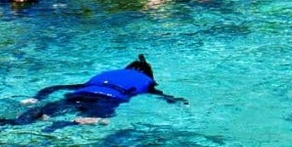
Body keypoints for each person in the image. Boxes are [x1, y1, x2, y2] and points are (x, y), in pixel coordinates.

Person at [13, 54, 184, 122]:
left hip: (82, 93)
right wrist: (179, 102)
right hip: (109, 100)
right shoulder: (147, 81)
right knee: (94, 120)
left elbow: (56, 87)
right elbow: (163, 96)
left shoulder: (107, 75)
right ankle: (71, 124)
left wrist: (37, 97)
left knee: (49, 109)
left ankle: (19, 120)